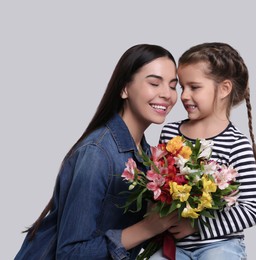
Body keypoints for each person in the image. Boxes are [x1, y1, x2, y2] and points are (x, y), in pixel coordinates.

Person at [15, 44, 180, 260]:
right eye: (154, 83)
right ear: (124, 88)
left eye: (173, 86)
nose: (167, 94)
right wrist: (148, 228)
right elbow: (70, 254)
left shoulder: (148, 157)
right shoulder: (97, 153)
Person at [153, 42, 256, 259]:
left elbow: (253, 209)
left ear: (224, 89)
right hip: (175, 246)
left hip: (220, 245)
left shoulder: (236, 144)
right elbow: (158, 187)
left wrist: (198, 227)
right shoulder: (170, 133)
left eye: (194, 87)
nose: (184, 95)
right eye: (182, 87)